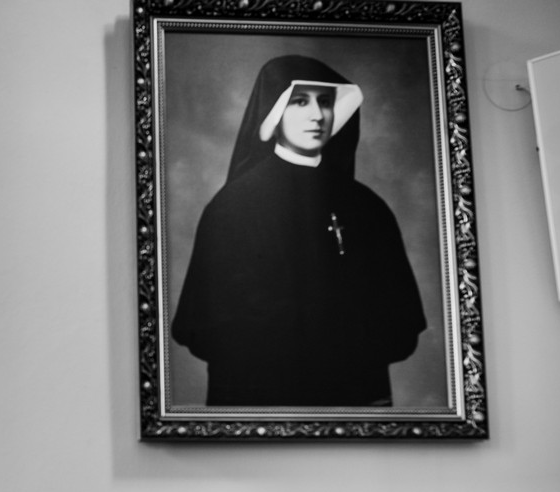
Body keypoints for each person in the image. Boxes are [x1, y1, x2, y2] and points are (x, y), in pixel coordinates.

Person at [171, 55, 427, 407]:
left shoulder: (368, 206)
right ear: (274, 112)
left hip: (353, 402)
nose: (317, 115)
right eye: (300, 101)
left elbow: (401, 325)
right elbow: (206, 329)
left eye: (325, 102)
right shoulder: (232, 208)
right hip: (265, 404)